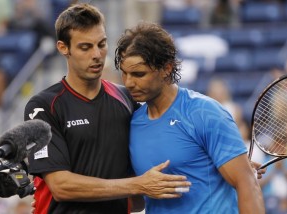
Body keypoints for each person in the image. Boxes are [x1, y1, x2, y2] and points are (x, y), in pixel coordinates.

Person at [23, 4, 191, 214]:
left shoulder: (127, 99)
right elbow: (60, 186)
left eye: (101, 44)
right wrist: (137, 185)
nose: (97, 54)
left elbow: (139, 191)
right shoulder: (43, 106)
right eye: (85, 47)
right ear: (63, 48)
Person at [114, 21, 265, 213]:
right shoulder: (132, 122)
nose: (128, 83)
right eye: (124, 74)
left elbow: (248, 185)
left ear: (167, 68)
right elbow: (136, 202)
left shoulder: (204, 112)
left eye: (138, 74)